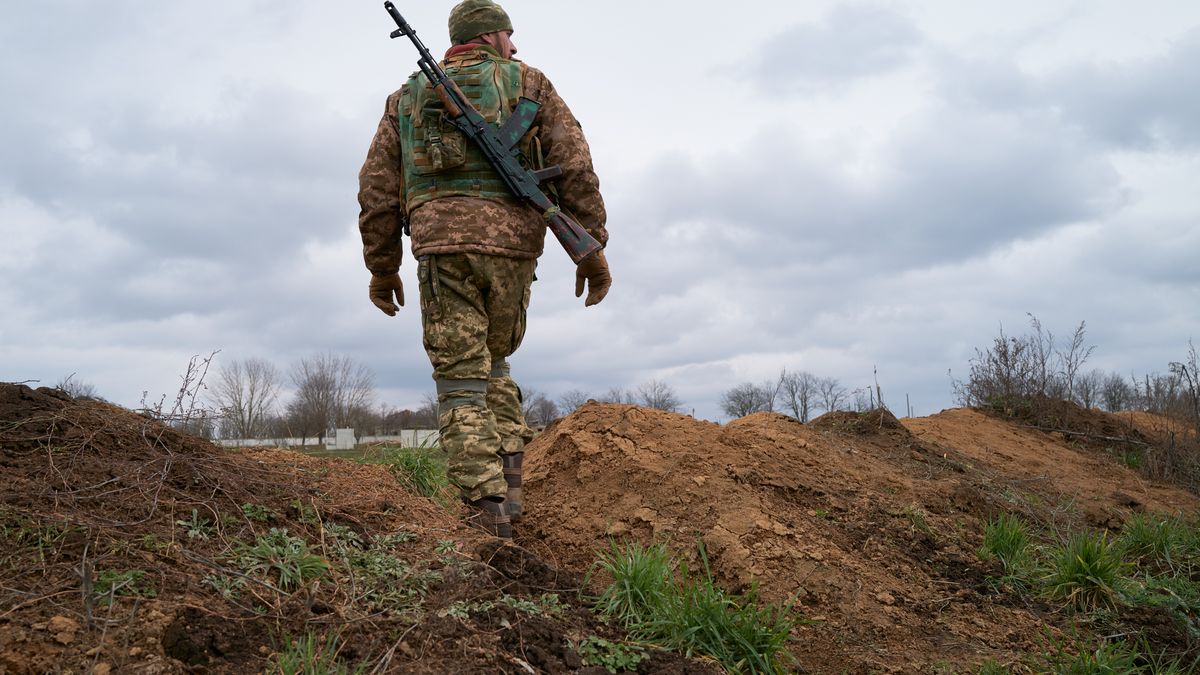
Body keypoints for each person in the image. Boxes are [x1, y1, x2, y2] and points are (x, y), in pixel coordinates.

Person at [357, 0, 611, 539]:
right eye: (507, 35)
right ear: (490, 37)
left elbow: (377, 194)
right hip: (515, 252)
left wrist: (383, 268)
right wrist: (592, 249)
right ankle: (511, 504)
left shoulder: (405, 99)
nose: (514, 46)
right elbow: (577, 166)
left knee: (460, 386)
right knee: (495, 367)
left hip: (442, 249)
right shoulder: (531, 84)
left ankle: (488, 521)